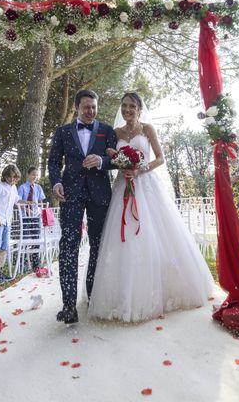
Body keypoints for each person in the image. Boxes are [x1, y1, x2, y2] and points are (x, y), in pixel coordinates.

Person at [88, 92, 214, 323]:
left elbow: (160, 158)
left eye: (132, 106)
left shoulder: (147, 129)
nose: (127, 110)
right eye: (124, 106)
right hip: (122, 187)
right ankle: (124, 295)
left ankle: (160, 291)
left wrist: (140, 169)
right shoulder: (115, 133)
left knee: (154, 235)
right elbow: (111, 158)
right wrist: (119, 163)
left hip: (146, 185)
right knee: (123, 238)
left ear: (139, 108)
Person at [48, 89, 117, 324]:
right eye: (86, 107)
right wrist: (56, 181)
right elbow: (54, 160)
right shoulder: (63, 131)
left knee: (98, 245)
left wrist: (102, 161)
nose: (91, 111)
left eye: (94, 107)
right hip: (71, 195)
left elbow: (117, 159)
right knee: (68, 246)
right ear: (77, 107)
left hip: (100, 196)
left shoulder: (107, 131)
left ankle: (92, 296)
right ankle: (68, 305)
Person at [17, 166, 47, 271]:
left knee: (36, 239)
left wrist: (40, 210)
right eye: (33, 174)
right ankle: (23, 263)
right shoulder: (22, 188)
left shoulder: (38, 187)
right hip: (25, 218)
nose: (35, 176)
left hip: (35, 216)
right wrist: (26, 205)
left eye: (36, 175)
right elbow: (17, 201)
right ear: (28, 175)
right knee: (24, 239)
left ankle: (36, 263)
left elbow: (41, 202)